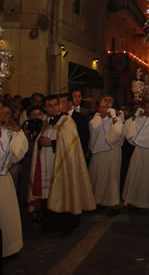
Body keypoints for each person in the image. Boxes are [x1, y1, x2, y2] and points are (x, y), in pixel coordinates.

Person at [28, 95, 96, 234]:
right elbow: (40, 139)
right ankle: (48, 224)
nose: (53, 108)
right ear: (45, 108)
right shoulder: (46, 121)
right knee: (47, 193)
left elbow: (71, 144)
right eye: (49, 105)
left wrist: (51, 143)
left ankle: (62, 226)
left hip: (61, 165)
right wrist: (40, 143)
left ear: (60, 106)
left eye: (55, 105)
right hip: (46, 163)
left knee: (62, 192)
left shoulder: (67, 121)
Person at [122, 99, 149, 209]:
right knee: (136, 175)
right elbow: (127, 127)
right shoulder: (139, 118)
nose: (147, 110)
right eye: (146, 107)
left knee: (148, 178)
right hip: (139, 151)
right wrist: (134, 118)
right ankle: (133, 200)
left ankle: (148, 203)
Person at [0, 102, 28, 257]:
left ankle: (8, 247)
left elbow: (18, 152)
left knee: (5, 216)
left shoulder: (8, 132)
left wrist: (17, 132)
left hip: (3, 181)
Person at [88, 97, 123, 214]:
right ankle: (97, 201)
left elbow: (118, 133)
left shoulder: (115, 118)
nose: (103, 109)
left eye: (106, 107)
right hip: (98, 152)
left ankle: (112, 203)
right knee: (97, 176)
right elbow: (93, 136)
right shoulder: (94, 119)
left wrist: (114, 119)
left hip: (112, 152)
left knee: (111, 177)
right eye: (101, 107)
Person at [58, 93, 89, 160]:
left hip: (75, 153)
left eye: (63, 102)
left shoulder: (81, 118)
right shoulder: (57, 117)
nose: (60, 105)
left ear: (70, 103)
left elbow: (84, 138)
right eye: (59, 102)